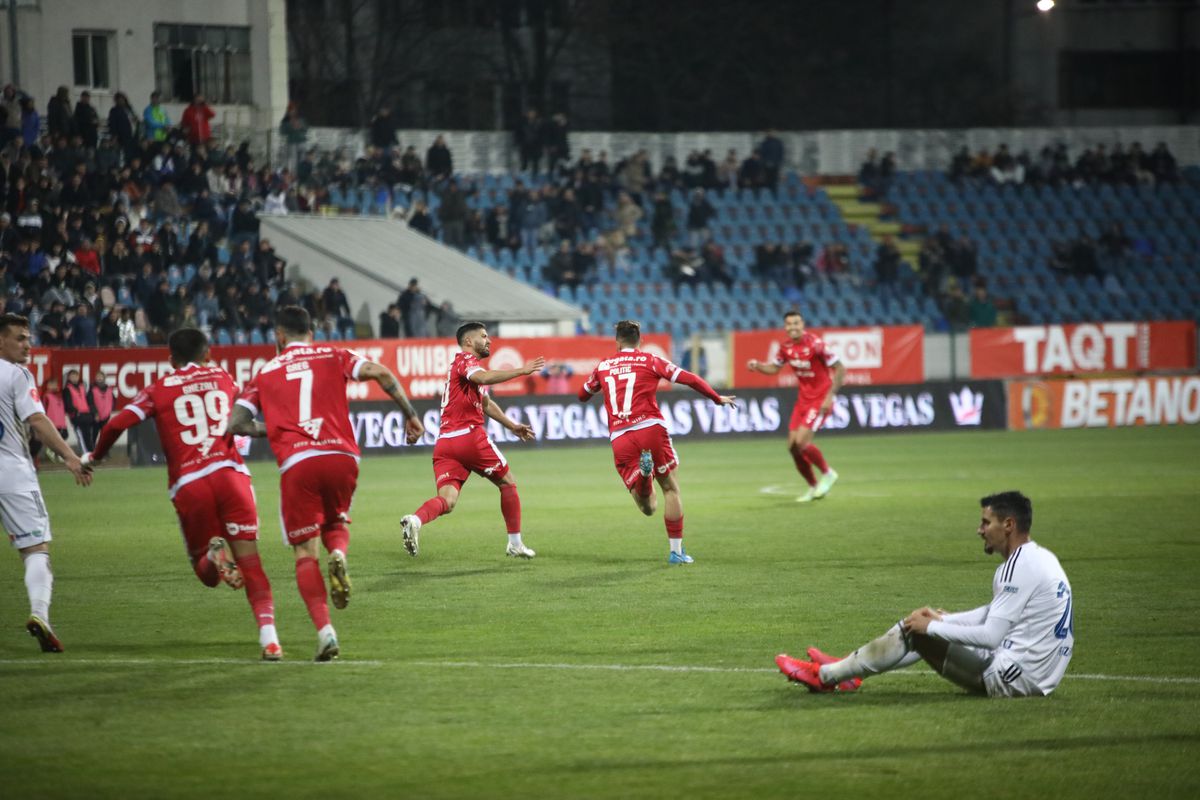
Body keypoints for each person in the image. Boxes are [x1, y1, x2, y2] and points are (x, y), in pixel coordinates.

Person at [229, 306, 424, 661]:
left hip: (299, 461)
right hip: (342, 457)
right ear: (312, 335)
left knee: (305, 552)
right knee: (335, 521)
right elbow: (380, 372)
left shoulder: (266, 371)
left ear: (279, 336)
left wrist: (277, 430)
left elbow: (237, 424)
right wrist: (410, 414)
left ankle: (326, 633)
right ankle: (339, 553)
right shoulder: (334, 355)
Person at [81, 329, 283, 660]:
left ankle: (213, 556)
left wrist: (96, 457)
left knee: (205, 575)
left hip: (191, 484)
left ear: (171, 359)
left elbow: (115, 425)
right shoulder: (223, 377)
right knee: (251, 563)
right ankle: (270, 640)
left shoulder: (157, 389)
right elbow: (245, 416)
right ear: (208, 354)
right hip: (231, 476)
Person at [776, 491, 1074, 698]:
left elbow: (991, 636)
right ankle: (846, 669)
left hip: (1015, 680)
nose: (979, 530)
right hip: (1034, 672)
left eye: (986, 522)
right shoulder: (1039, 558)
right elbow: (992, 612)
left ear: (1008, 525)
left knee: (918, 632)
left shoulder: (1016, 568)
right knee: (926, 624)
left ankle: (826, 677)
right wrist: (944, 619)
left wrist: (931, 627)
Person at [577, 320, 736, 564]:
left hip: (620, 437)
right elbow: (689, 378)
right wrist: (715, 398)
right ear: (639, 340)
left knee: (647, 508)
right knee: (670, 488)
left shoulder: (603, 366)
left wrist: (598, 385)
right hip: (650, 429)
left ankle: (643, 473)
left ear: (617, 341)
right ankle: (676, 552)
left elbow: (582, 395)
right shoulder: (651, 360)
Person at [399, 322, 544, 560]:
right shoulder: (465, 361)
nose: (489, 341)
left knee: (448, 500)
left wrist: (512, 426)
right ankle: (515, 544)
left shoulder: (462, 371)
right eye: (484, 336)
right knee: (508, 483)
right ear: (469, 341)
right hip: (468, 436)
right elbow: (484, 378)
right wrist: (521, 370)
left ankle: (415, 520)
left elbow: (485, 403)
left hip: (445, 443)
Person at [0, 313, 91, 652]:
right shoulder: (17, 374)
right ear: (1, 341)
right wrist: (70, 457)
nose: (28, 344)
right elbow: (37, 420)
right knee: (36, 549)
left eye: (28, 337)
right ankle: (40, 614)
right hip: (12, 472)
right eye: (20, 338)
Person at [746, 311, 844, 502]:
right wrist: (757, 365)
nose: (793, 327)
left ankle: (828, 473)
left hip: (820, 399)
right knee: (792, 447)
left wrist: (829, 397)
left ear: (803, 324)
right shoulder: (786, 348)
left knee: (802, 442)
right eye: (789, 324)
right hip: (803, 401)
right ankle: (813, 486)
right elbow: (774, 368)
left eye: (796, 323)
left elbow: (840, 368)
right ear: (785, 327)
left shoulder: (817, 345)